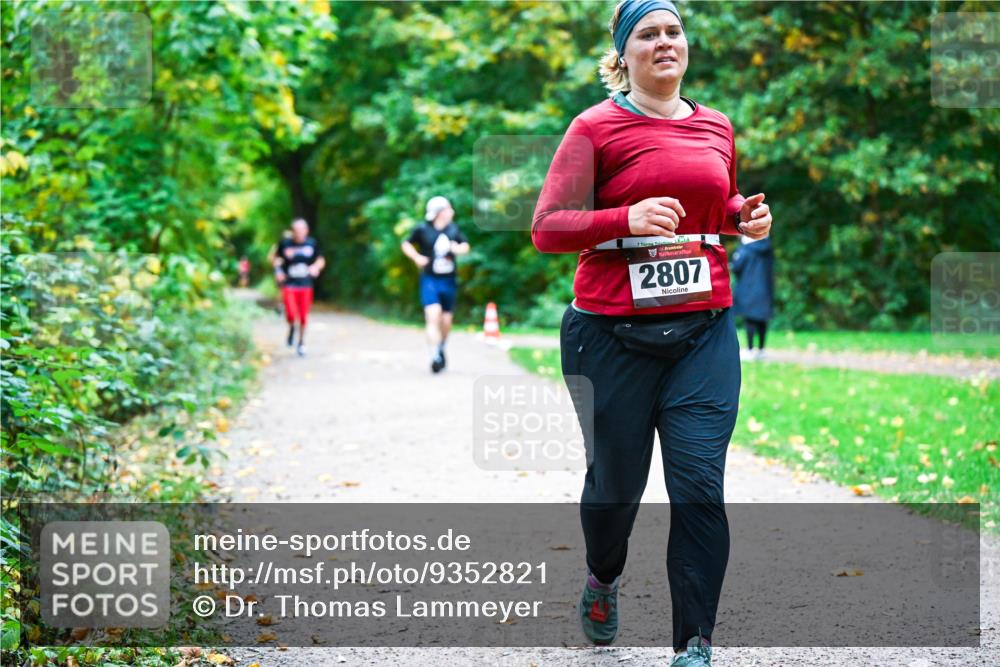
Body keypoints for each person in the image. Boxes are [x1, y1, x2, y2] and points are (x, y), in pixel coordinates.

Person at [530, 1, 772, 664]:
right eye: (648, 34)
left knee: (698, 483)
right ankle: (602, 576)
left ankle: (694, 644)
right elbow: (547, 226)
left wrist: (741, 217)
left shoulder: (716, 125)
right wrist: (624, 218)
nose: (665, 42)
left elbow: (710, 206)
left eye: (674, 31)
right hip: (609, 337)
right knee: (616, 487)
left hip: (703, 331)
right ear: (623, 52)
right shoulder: (596, 127)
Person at [401, 196, 470, 373]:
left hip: (449, 280)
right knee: (433, 315)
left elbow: (466, 246)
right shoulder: (423, 229)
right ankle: (434, 355)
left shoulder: (453, 229)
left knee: (446, 320)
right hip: (430, 279)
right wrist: (417, 257)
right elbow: (406, 244)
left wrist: (457, 249)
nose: (452, 212)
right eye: (449, 209)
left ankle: (441, 347)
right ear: (440, 212)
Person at [273, 219, 325, 356]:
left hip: (305, 284)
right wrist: (278, 271)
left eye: (301, 230)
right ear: (292, 231)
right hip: (289, 284)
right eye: (296, 230)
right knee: (290, 314)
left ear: (306, 231)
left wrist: (315, 267)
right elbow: (276, 258)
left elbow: (320, 259)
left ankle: (301, 342)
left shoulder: (311, 244)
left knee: (303, 316)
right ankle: (291, 328)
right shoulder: (285, 244)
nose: (299, 233)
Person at [731, 235, 774, 360]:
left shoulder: (745, 249)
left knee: (750, 319)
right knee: (762, 319)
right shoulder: (768, 247)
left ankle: (750, 350)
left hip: (748, 288)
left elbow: (736, 267)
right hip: (765, 287)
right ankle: (761, 349)